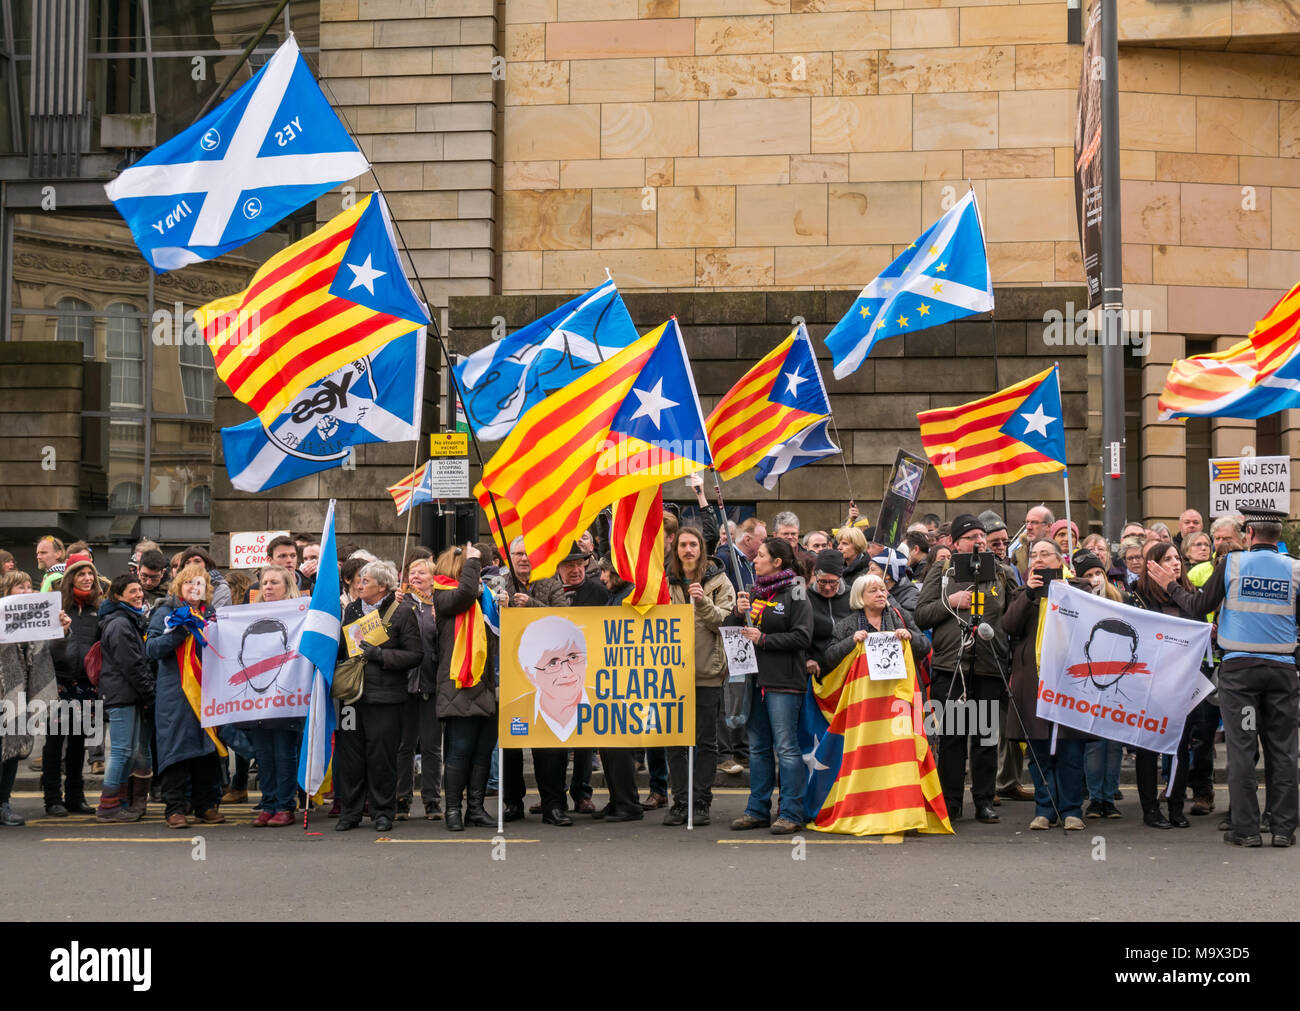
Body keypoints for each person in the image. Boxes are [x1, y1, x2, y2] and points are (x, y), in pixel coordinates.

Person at [1147, 507, 1300, 847]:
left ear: (1248, 534)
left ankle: (1245, 830)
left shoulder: (1232, 565)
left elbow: (1198, 605)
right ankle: (1283, 829)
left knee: (1242, 750)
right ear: (1278, 538)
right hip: (1282, 672)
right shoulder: (1295, 570)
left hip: (1240, 673)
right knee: (1284, 752)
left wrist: (1169, 585)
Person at [914, 514, 1014, 823]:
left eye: (981, 536)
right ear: (955, 543)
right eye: (971, 536)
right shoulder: (942, 572)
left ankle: (984, 800)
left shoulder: (1001, 573)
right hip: (952, 664)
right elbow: (922, 615)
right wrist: (951, 601)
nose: (979, 541)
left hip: (988, 664)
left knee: (985, 736)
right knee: (953, 735)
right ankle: (952, 801)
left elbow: (1012, 617)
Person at [726, 537, 814, 835]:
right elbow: (730, 629)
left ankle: (791, 811)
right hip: (754, 679)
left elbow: (803, 637)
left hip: (784, 681)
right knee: (758, 749)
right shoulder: (752, 591)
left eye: (761, 556)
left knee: (786, 748)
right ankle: (756, 809)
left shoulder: (797, 589)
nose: (755, 560)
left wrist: (763, 639)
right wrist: (737, 612)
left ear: (778, 562)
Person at [1001, 540, 1089, 831]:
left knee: (1069, 749)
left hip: (1068, 682)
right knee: (1039, 749)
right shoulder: (1021, 591)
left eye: (1045, 554)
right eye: (1034, 555)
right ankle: (1045, 808)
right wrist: (1029, 594)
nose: (1038, 559)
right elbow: (1009, 626)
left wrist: (1067, 592)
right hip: (1033, 681)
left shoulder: (1078, 589)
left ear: (1059, 559)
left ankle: (1072, 809)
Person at [335, 560, 423, 833]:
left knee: (381, 758)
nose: (359, 585)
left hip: (385, 699)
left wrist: (381, 656)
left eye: (366, 581)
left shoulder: (402, 612)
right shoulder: (351, 609)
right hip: (353, 695)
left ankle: (383, 811)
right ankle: (350, 812)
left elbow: (415, 654)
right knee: (350, 757)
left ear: (382, 586)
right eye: (359, 581)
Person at [1130, 541, 1206, 829]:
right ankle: (1150, 810)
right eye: (1168, 559)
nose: (1176, 563)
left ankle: (1176, 806)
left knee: (1179, 748)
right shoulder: (1137, 598)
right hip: (1148, 686)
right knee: (1148, 748)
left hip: (1181, 685)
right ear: (1153, 565)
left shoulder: (1191, 596)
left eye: (1178, 558)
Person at [662, 526, 734, 826]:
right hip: (671, 675)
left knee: (705, 742)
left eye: (693, 544)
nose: (688, 550)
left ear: (701, 549)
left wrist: (703, 602)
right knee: (675, 743)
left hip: (707, 671)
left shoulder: (719, 580)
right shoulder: (664, 581)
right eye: (683, 545)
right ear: (676, 549)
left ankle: (701, 801)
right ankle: (680, 801)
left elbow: (725, 622)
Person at [147, 563, 226, 829]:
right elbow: (152, 648)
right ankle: (175, 808)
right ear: (179, 586)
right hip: (176, 693)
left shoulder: (211, 613)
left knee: (206, 751)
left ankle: (205, 805)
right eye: (189, 583)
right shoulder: (166, 612)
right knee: (177, 751)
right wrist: (181, 630)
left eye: (200, 584)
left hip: (206, 691)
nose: (194, 588)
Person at [431, 547, 499, 832]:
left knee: (482, 753)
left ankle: (475, 807)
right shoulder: (445, 595)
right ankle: (453, 810)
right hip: (458, 686)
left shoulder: (483, 599)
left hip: (484, 685)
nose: (479, 571)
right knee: (459, 752)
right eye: (472, 566)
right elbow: (466, 592)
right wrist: (474, 560)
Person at [242, 565, 303, 828]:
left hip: (286, 697)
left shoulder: (300, 615)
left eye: (274, 582)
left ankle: (285, 806)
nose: (267, 587)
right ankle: (268, 804)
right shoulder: (247, 615)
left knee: (284, 752)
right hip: (256, 701)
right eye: (264, 582)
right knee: (264, 754)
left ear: (287, 586)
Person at [0, 571, 60, 826]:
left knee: (13, 751)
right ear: (7, 592)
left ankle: (4, 803)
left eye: (28, 586)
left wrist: (60, 628)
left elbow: (45, 656)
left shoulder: (35, 618)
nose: (26, 591)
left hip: (19, 696)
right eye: (19, 587)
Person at [44, 553, 101, 817]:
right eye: (81, 574)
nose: (88, 578)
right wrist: (63, 632)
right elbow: (49, 651)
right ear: (70, 578)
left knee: (79, 744)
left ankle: (76, 797)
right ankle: (53, 798)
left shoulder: (98, 609)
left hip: (86, 686)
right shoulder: (55, 609)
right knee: (55, 744)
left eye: (90, 573)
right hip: (59, 683)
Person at [1071, 550, 1126, 820]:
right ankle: (1095, 797)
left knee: (1114, 742)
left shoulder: (1121, 601)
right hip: (1089, 681)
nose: (1095, 579)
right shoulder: (1078, 605)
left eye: (1098, 574)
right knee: (1094, 742)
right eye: (1088, 575)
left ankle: (1109, 796)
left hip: (1117, 681)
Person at [95, 574, 155, 822]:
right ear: (118, 596)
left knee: (127, 752)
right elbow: (132, 665)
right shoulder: (120, 624)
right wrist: (150, 692)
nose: (139, 594)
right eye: (132, 591)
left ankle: (118, 802)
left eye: (139, 590)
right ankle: (107, 806)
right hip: (122, 695)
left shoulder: (128, 619)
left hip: (126, 693)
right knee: (120, 751)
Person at [397, 557, 443, 821]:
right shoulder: (400, 602)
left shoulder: (439, 603)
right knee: (403, 747)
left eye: (421, 573)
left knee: (432, 747)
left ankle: (432, 801)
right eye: (412, 572)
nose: (415, 577)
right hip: (403, 685)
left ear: (433, 577)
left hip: (431, 683)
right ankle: (401, 800)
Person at [824, 573, 929, 675]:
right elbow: (829, 659)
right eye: (873, 591)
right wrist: (851, 641)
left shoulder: (900, 616)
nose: (880, 594)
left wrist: (910, 636)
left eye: (883, 590)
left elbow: (925, 648)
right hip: (862, 689)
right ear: (860, 596)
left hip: (898, 689)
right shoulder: (845, 625)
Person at [806, 549, 851, 681]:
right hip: (815, 670)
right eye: (822, 582)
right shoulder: (805, 597)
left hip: (846, 669)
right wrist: (807, 658)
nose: (827, 587)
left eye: (832, 582)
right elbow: (797, 631)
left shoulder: (852, 595)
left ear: (840, 578)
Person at [1010, 506, 1054, 576]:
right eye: (1027, 522)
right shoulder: (1016, 555)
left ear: (1048, 526)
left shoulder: (1061, 554)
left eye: (1034, 522)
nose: (1028, 527)